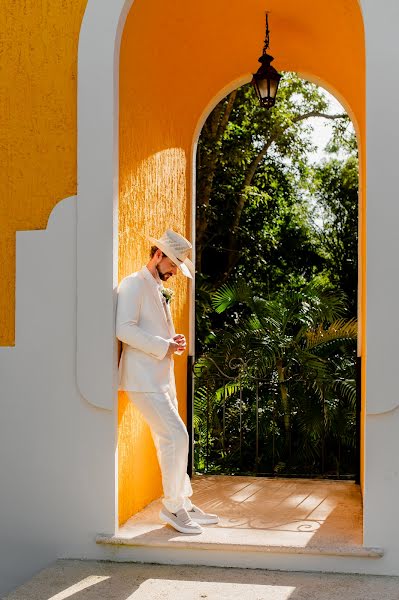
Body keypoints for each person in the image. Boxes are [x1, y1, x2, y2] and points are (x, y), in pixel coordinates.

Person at [116, 229, 219, 534]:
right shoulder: (134, 284)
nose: (175, 270)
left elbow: (151, 327)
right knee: (178, 436)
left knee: (168, 441)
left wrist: (172, 340)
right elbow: (123, 329)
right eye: (173, 263)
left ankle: (183, 502)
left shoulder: (156, 285)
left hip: (160, 377)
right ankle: (172, 508)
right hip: (141, 378)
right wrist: (163, 346)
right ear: (157, 255)